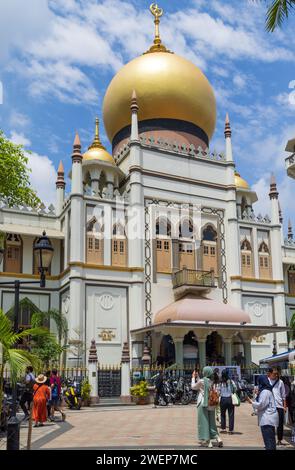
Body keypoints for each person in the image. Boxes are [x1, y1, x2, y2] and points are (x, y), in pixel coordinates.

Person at [191, 366, 223, 448]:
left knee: (204, 423)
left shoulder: (202, 381)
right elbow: (202, 384)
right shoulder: (212, 380)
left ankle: (208, 442)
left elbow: (193, 387)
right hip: (211, 404)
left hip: (203, 403)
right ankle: (218, 438)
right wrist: (197, 377)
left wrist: (193, 378)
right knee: (212, 423)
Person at [246, 375, 278, 450]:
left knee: (269, 442)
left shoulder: (265, 391)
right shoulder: (267, 390)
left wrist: (251, 402)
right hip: (269, 419)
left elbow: (261, 404)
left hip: (267, 419)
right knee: (271, 441)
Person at [267, 367, 287, 446]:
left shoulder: (280, 382)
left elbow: (283, 395)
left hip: (279, 406)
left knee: (280, 425)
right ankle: (271, 440)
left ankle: (279, 440)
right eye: (274, 373)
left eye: (276, 374)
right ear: (270, 373)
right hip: (270, 406)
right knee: (271, 424)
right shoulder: (267, 381)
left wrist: (284, 406)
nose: (275, 375)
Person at [219, 369, 237, 434]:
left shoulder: (220, 382)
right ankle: (230, 430)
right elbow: (235, 388)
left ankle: (223, 429)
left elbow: (218, 391)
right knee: (231, 415)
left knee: (222, 414)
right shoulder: (231, 381)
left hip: (223, 399)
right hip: (230, 399)